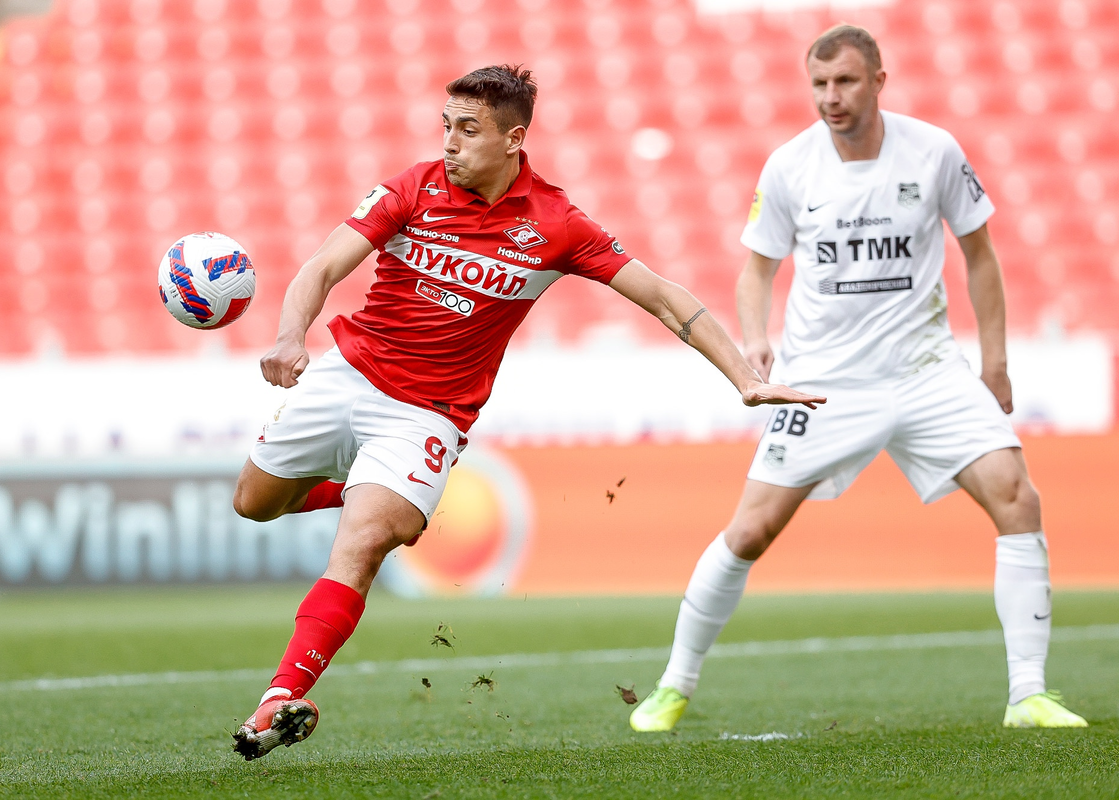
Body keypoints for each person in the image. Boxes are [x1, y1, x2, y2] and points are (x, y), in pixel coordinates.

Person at [228, 64, 825, 760]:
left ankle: (280, 696)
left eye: (468, 129)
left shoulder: (555, 224)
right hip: (348, 374)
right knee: (253, 504)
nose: (450, 142)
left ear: (513, 139)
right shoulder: (411, 188)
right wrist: (289, 336)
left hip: (426, 413)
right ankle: (373, 492)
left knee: (362, 546)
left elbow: (664, 297)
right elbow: (322, 266)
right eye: (446, 125)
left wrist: (745, 379)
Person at [629, 25, 1088, 733]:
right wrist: (756, 337)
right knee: (750, 531)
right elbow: (757, 270)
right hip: (826, 381)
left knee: (1017, 498)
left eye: (844, 81)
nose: (830, 97)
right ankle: (672, 686)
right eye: (818, 84)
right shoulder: (790, 166)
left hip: (926, 371)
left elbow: (981, 255)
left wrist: (995, 362)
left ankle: (1028, 695)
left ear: (878, 80)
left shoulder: (934, 151)